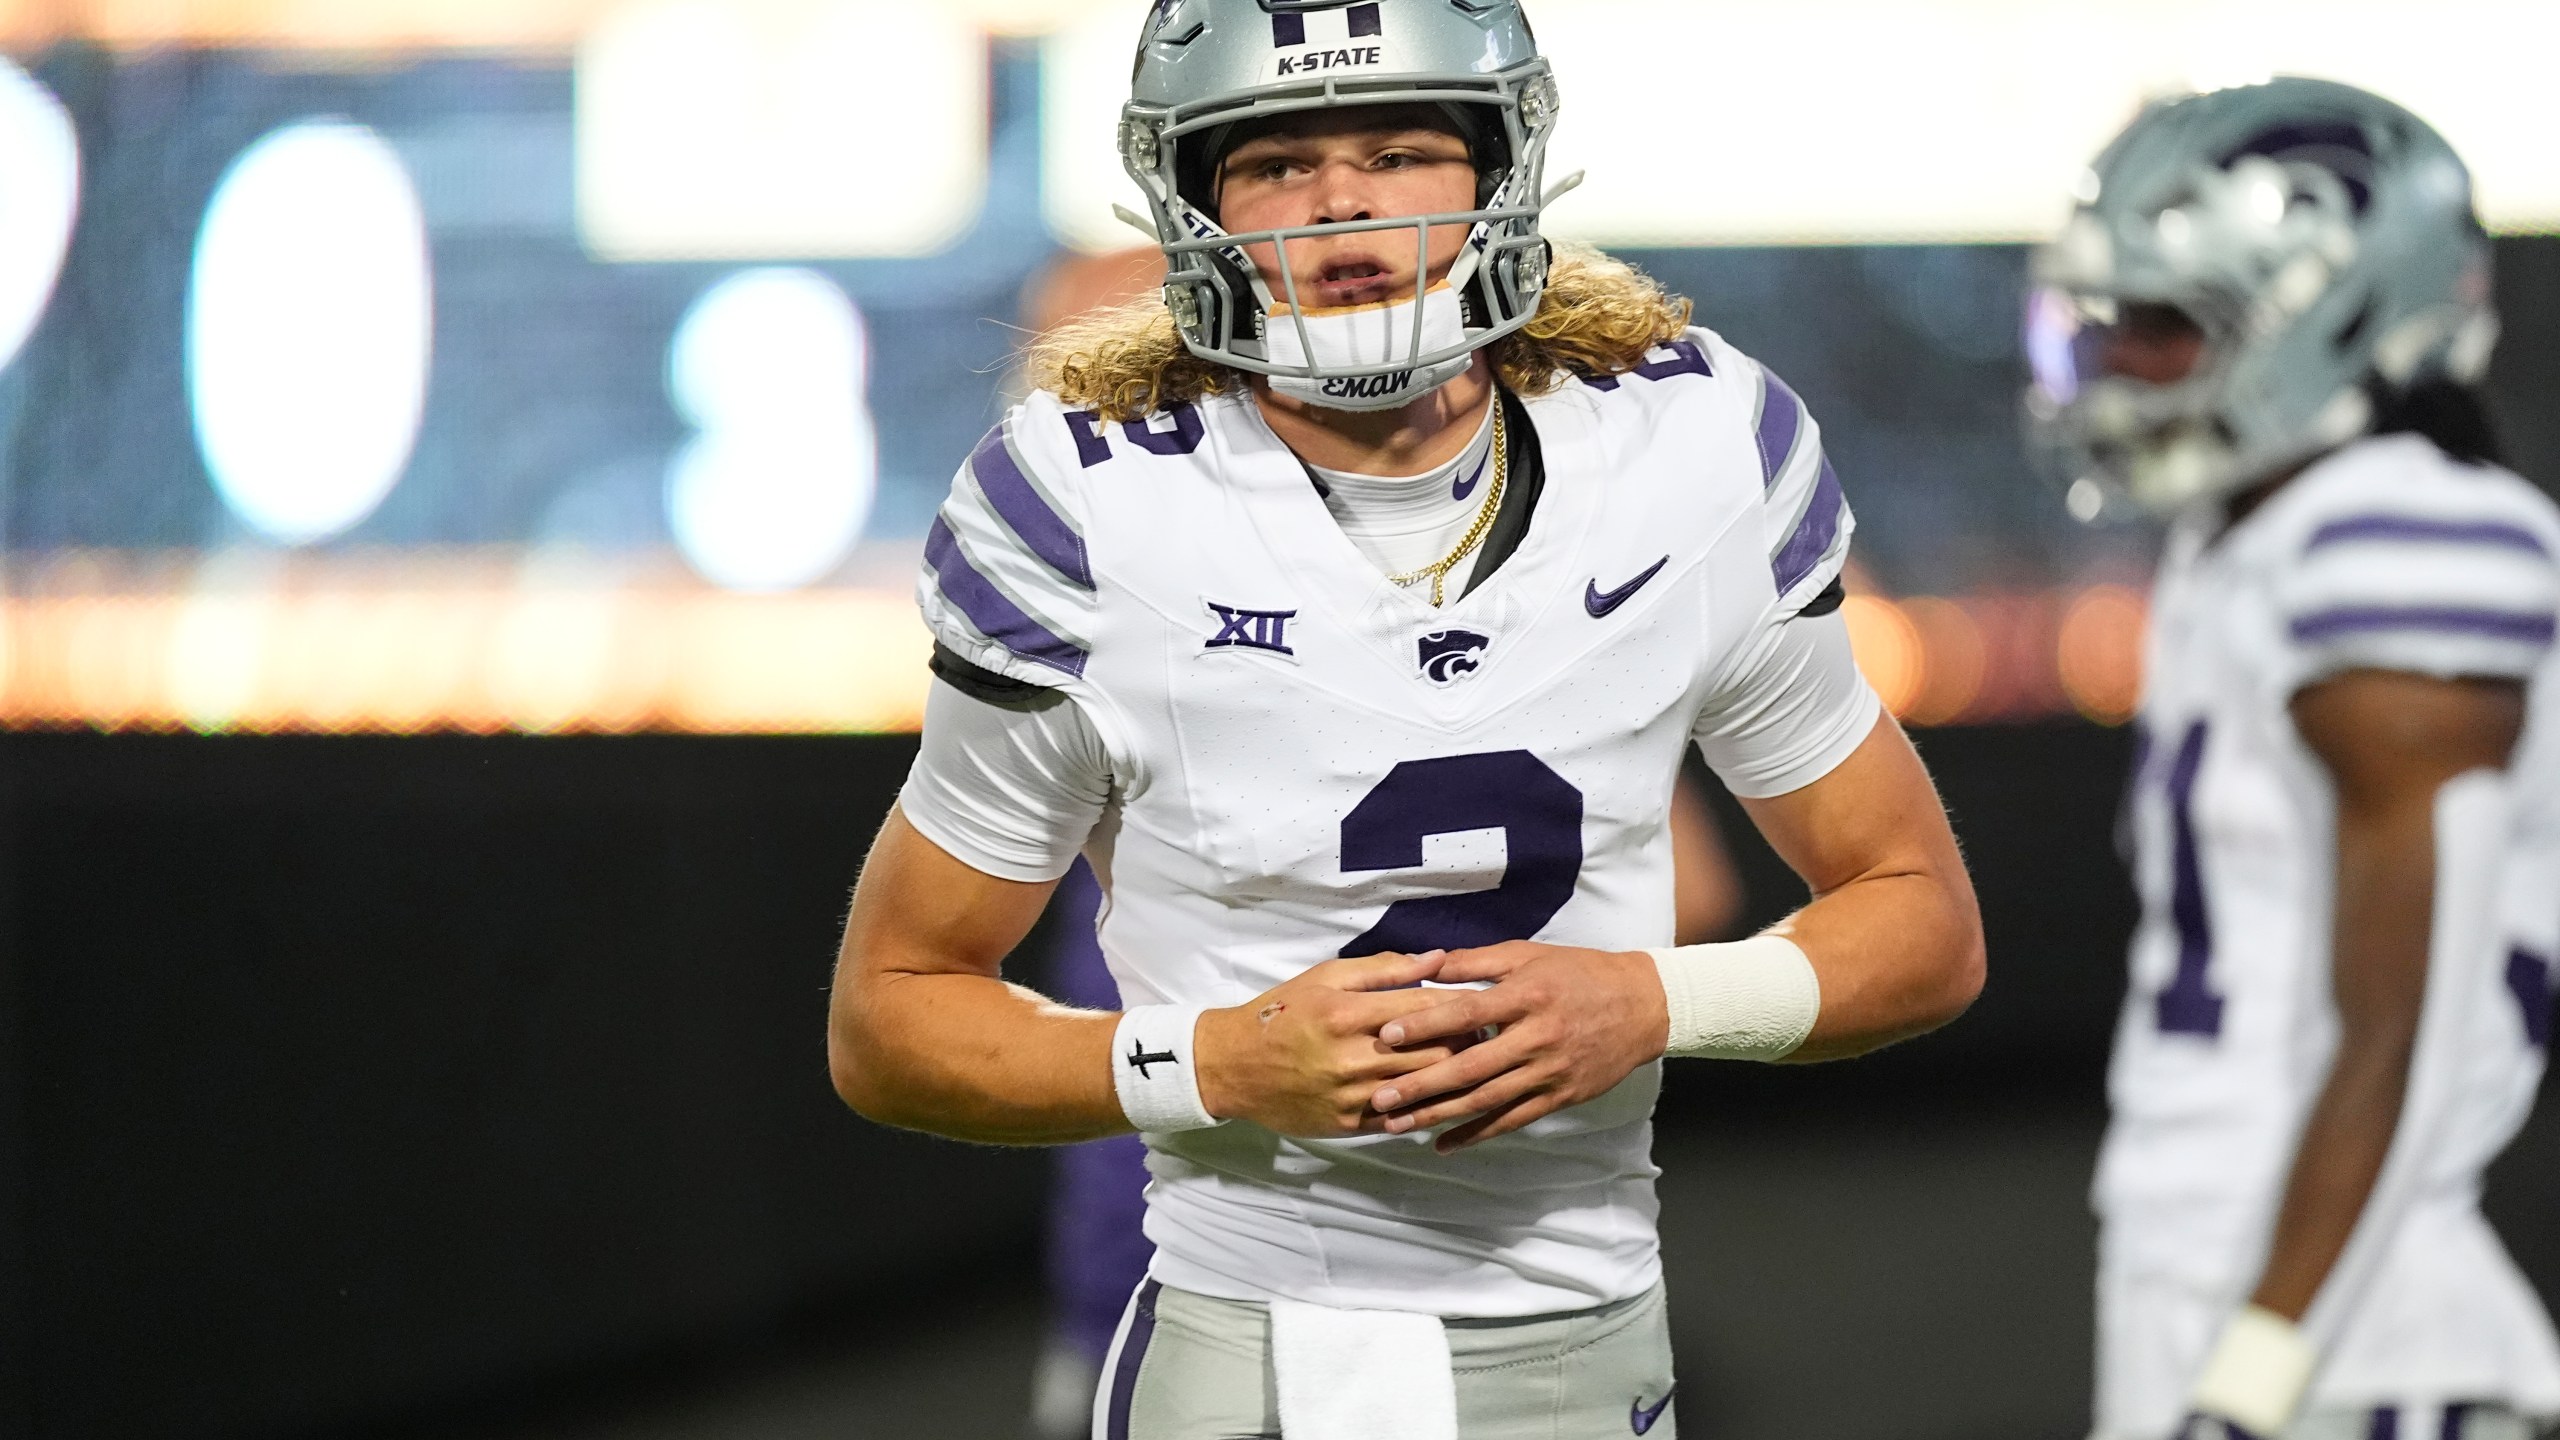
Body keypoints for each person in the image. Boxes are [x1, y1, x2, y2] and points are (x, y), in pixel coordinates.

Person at [829, 4, 1984, 1436]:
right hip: (1253, 1353)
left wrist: (1652, 999)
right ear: (1194, 202)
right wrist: (1220, 1060)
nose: (1344, 202)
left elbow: (1920, 921)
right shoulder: (1084, 503)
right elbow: (889, 1020)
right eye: (1277, 162)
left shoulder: (1689, 447)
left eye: (1399, 147)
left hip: (1603, 1350)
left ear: (1500, 168)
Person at [1010, 244, 1753, 1440]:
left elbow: (1709, 892)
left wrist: (1532, 1007)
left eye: (1122, 389)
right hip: (1165, 1268)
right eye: (1064, 392)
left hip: (1390, 1275)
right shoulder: (1089, 630)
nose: (1083, 430)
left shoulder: (1483, 605)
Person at [2025, 77, 2560, 1440]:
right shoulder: (2245, 536)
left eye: (2168, 323)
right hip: (2229, 1280)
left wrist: (2261, 1376)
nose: (2120, 360)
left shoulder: (2403, 530)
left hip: (2351, 1340)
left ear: (2333, 317)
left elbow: (2414, 1023)